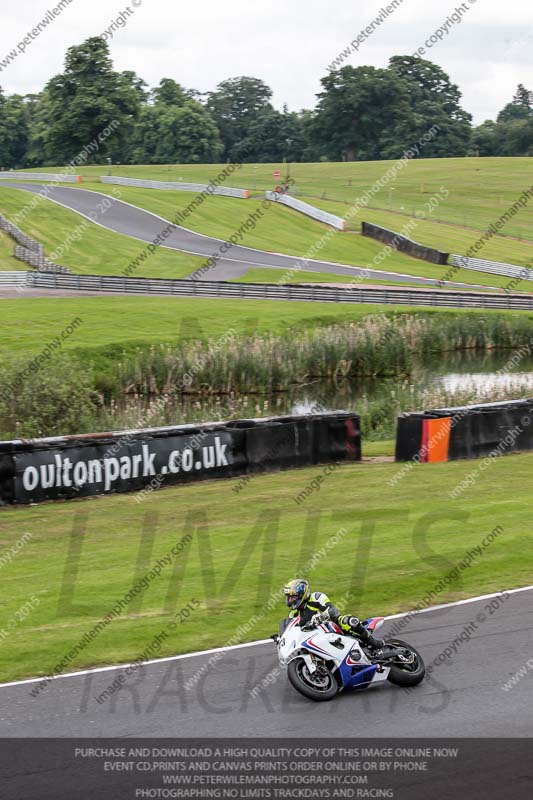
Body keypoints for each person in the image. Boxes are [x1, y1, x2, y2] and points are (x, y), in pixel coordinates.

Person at [283, 578, 385, 652]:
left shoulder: (316, 597)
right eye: (289, 597)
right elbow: (294, 631)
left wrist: (320, 618)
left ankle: (372, 642)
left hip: (333, 626)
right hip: (315, 637)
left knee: (349, 621)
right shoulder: (293, 614)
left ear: (302, 594)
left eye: (293, 597)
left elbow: (332, 610)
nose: (290, 600)